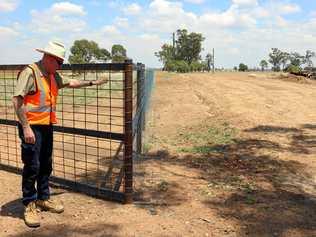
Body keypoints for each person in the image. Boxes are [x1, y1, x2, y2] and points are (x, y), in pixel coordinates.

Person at [12, 41, 108, 227]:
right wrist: (25, 128)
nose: (60, 66)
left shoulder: (52, 74)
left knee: (46, 164)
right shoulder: (30, 73)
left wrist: (93, 82)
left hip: (46, 126)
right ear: (48, 58)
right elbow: (17, 100)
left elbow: (71, 82)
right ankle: (30, 204)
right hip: (31, 127)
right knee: (32, 166)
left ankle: (43, 198)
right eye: (59, 62)